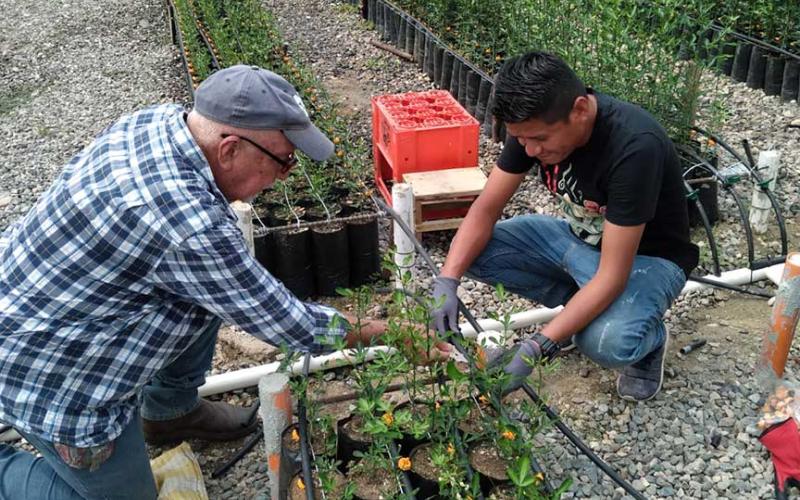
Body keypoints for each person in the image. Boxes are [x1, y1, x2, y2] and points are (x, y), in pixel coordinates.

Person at [0, 65, 450, 499]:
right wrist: (385, 331)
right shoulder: (187, 223)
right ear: (230, 148)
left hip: (47, 303)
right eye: (283, 160)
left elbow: (230, 289)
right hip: (50, 376)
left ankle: (169, 412)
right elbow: (291, 326)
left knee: (208, 296)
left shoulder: (159, 122)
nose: (284, 176)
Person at [431, 52, 698, 402]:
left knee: (607, 342)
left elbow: (612, 276)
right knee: (474, 253)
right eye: (521, 139)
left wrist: (536, 347)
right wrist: (447, 280)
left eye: (538, 140)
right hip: (579, 239)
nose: (529, 149)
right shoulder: (532, 126)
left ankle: (648, 342)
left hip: (646, 261)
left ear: (580, 110)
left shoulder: (634, 146)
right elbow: (484, 210)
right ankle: (584, 311)